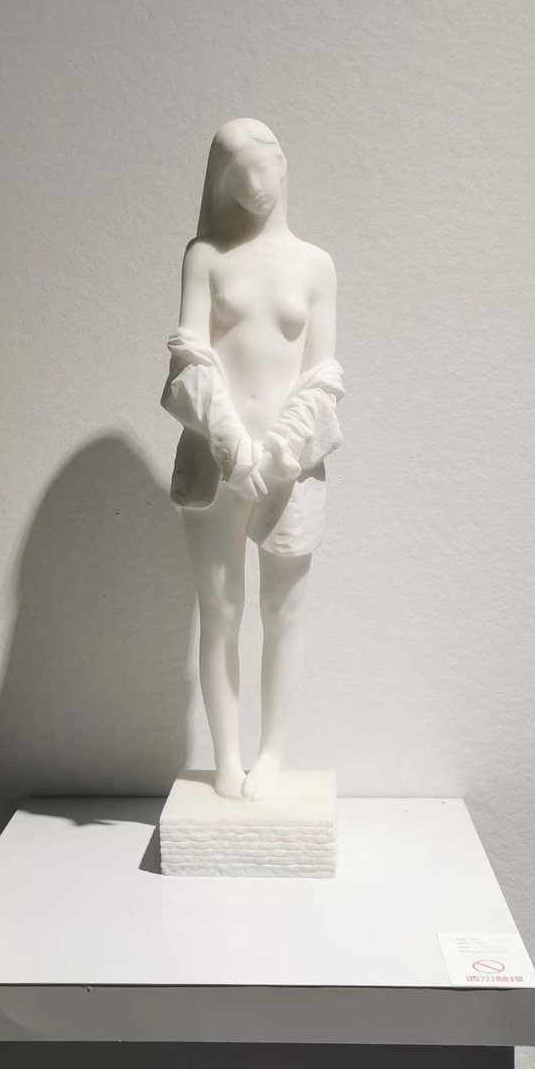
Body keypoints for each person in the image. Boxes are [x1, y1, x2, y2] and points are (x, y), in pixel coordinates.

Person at [161, 118, 343, 801]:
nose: (257, 188)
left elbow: (323, 374)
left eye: (264, 170)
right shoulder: (206, 257)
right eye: (240, 177)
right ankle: (227, 758)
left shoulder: (316, 265)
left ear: (283, 165)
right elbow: (189, 357)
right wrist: (233, 447)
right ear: (222, 182)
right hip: (217, 462)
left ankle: (271, 753)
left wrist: (280, 452)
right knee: (219, 608)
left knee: (283, 612)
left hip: (291, 467)